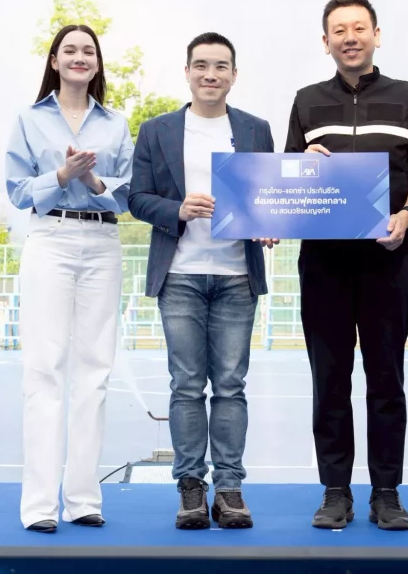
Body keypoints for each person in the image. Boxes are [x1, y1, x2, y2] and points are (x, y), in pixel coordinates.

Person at [284, 0, 408, 531]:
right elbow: (287, 179)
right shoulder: (306, 102)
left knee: (386, 379)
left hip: (387, 263)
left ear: (376, 34)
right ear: (325, 41)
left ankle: (387, 493)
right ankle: (335, 492)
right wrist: (300, 162)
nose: (349, 38)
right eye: (339, 30)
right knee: (329, 379)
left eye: (358, 28)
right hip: (323, 265)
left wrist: (407, 216)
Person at [128, 32, 276, 530]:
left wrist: (268, 224)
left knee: (231, 386)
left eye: (221, 66)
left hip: (236, 275)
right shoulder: (157, 130)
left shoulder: (256, 129)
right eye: (201, 65)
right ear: (187, 71)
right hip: (180, 275)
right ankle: (191, 488)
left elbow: (268, 196)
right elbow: (137, 198)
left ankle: (229, 489)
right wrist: (177, 208)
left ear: (234, 74)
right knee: (187, 386)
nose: (210, 74)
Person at [5, 24, 133, 533]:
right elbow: (18, 191)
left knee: (96, 370)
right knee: (44, 368)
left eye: (89, 51)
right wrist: (61, 176)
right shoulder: (29, 119)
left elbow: (128, 195)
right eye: (70, 50)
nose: (80, 57)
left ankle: (82, 499)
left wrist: (93, 179)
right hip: (50, 238)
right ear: (54, 61)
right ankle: (39, 505)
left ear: (97, 63)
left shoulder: (116, 124)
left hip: (102, 241)